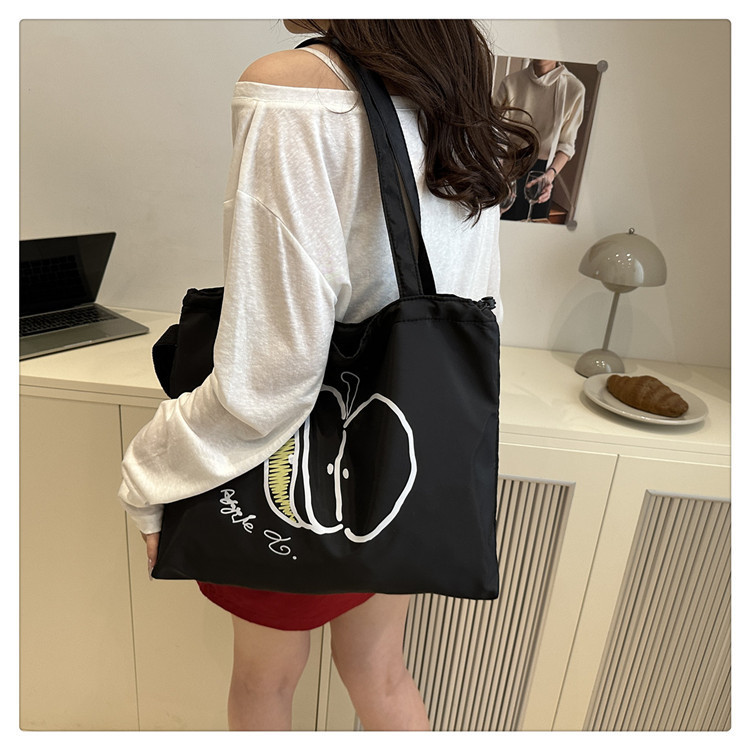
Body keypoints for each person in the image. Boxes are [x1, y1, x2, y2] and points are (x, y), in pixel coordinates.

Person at [118, 19, 538, 731]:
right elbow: (465, 307)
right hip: (401, 463)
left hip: (294, 469)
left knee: (265, 680)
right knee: (381, 674)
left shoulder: (294, 88)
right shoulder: (451, 83)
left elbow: (271, 380)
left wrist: (149, 474)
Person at [496, 58, 585, 221]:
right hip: (508, 167)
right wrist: (499, 174)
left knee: (532, 227)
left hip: (543, 172)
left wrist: (550, 175)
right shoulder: (511, 82)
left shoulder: (574, 88)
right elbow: (497, 134)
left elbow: (567, 144)